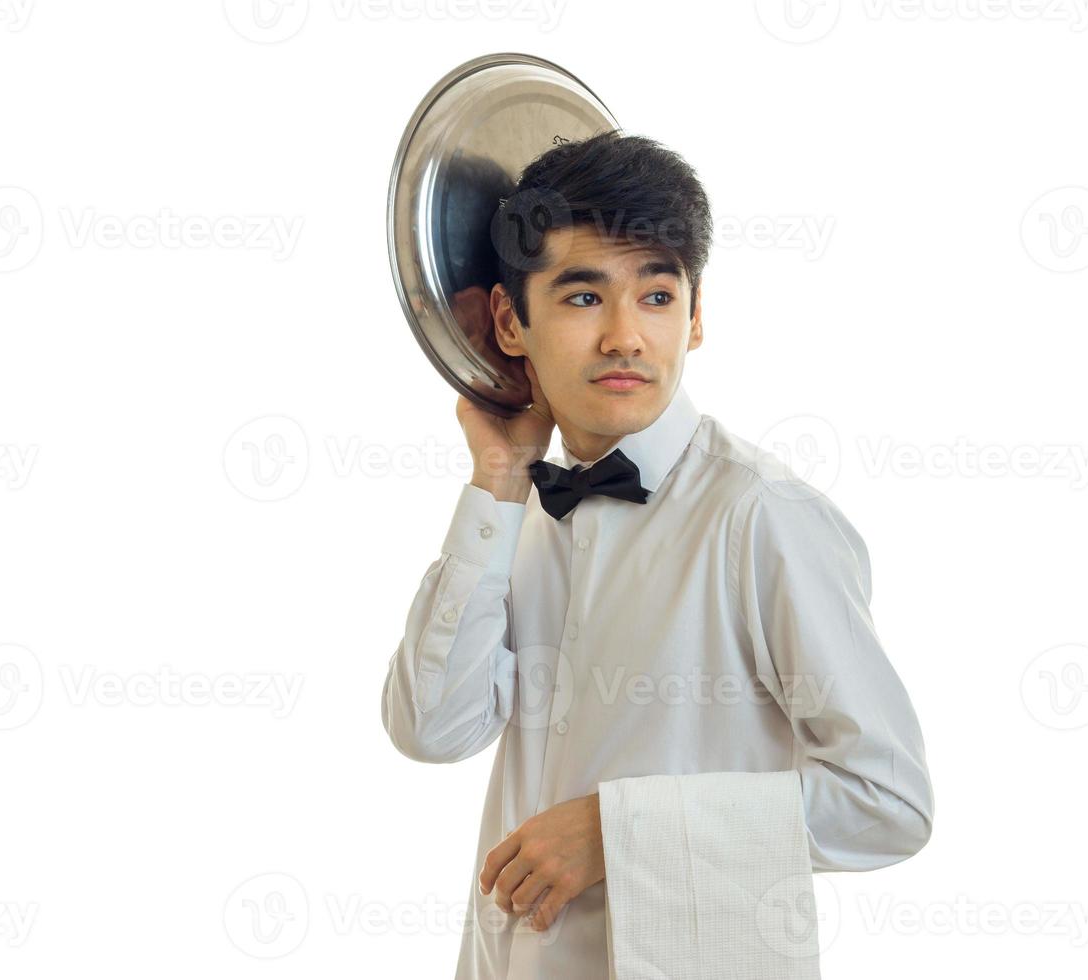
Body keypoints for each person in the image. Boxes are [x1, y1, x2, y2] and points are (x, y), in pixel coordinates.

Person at [381, 129, 934, 979]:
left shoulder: (763, 517)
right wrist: (496, 478)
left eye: (657, 296)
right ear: (508, 322)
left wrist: (616, 831)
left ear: (697, 314)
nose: (626, 338)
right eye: (581, 298)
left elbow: (889, 803)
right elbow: (432, 730)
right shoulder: (518, 509)